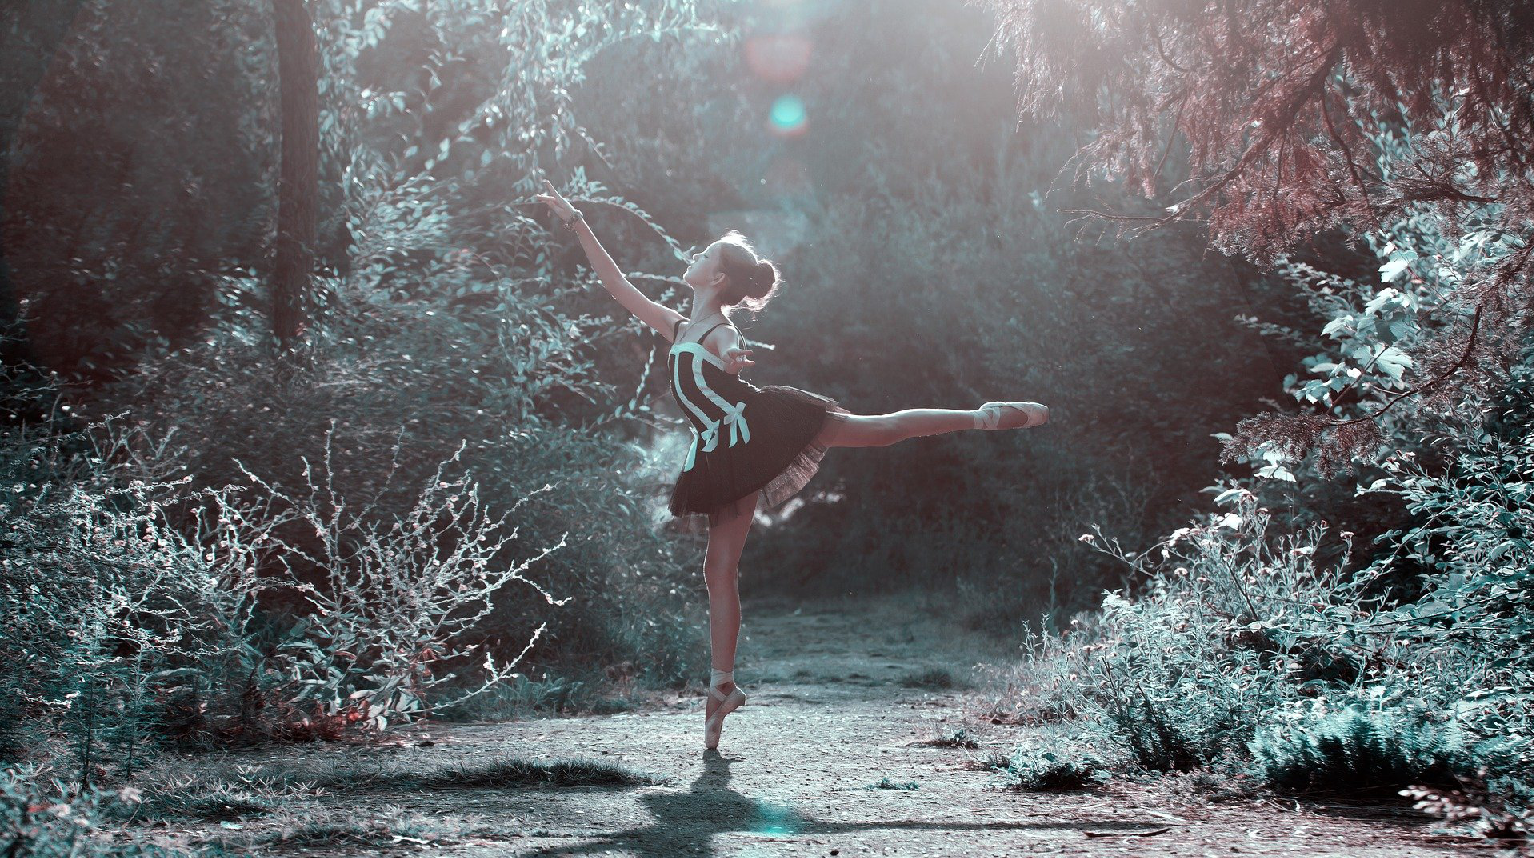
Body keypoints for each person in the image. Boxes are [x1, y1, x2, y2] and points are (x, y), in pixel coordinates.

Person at [534, 180, 1048, 750]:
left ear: (719, 279)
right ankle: (721, 687)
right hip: (718, 452)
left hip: (760, 429)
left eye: (703, 255)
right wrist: (577, 220)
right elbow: (617, 285)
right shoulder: (676, 326)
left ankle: (983, 415)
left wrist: (732, 357)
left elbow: (729, 351)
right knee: (716, 572)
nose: (692, 257)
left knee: (878, 430)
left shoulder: (716, 330)